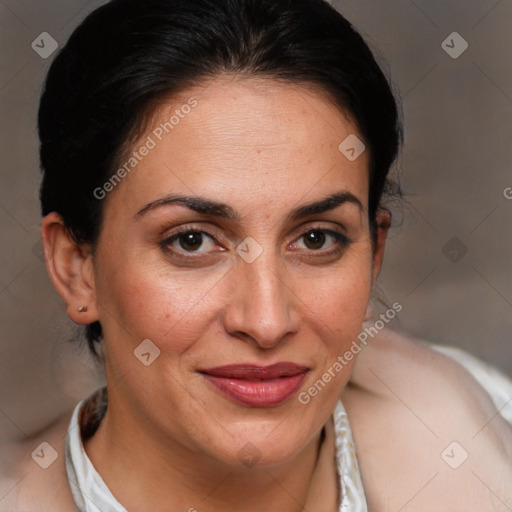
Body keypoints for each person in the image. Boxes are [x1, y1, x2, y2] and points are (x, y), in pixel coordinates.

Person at [2, 0, 511, 510]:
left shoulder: (486, 427)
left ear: (374, 252)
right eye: (192, 241)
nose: (267, 322)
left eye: (317, 238)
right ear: (76, 269)